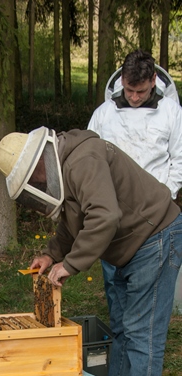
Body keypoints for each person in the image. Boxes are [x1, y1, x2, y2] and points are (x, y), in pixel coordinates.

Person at [0, 126, 182, 376]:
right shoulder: (66, 170)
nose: (38, 185)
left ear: (40, 161)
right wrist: (51, 255)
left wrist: (70, 264)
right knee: (125, 327)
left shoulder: (82, 159)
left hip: (154, 236)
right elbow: (71, 224)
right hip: (133, 244)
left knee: (143, 332)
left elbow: (105, 217)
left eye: (35, 178)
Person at [87, 49, 182, 311]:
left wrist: (164, 194)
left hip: (155, 219)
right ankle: (121, 347)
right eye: (129, 90)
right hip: (113, 216)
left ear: (153, 80)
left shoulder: (172, 113)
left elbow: (180, 160)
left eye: (140, 91)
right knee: (116, 297)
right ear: (122, 82)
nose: (134, 97)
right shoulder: (104, 114)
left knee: (144, 309)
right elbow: (89, 160)